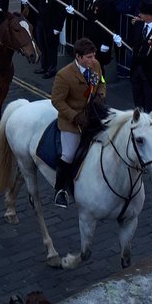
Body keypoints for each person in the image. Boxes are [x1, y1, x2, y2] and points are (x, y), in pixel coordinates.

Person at [50, 37, 106, 208]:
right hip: (72, 121)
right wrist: (74, 116)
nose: (93, 60)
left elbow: (102, 82)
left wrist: (100, 95)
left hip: (93, 114)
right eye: (89, 57)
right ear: (78, 57)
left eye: (94, 56)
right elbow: (57, 101)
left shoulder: (95, 65)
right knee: (68, 155)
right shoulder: (64, 75)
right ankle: (60, 190)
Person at [36, 0, 68, 79]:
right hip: (42, 21)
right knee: (42, 45)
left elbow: (62, 11)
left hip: (52, 24)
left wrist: (58, 27)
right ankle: (44, 65)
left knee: (51, 47)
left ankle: (52, 68)